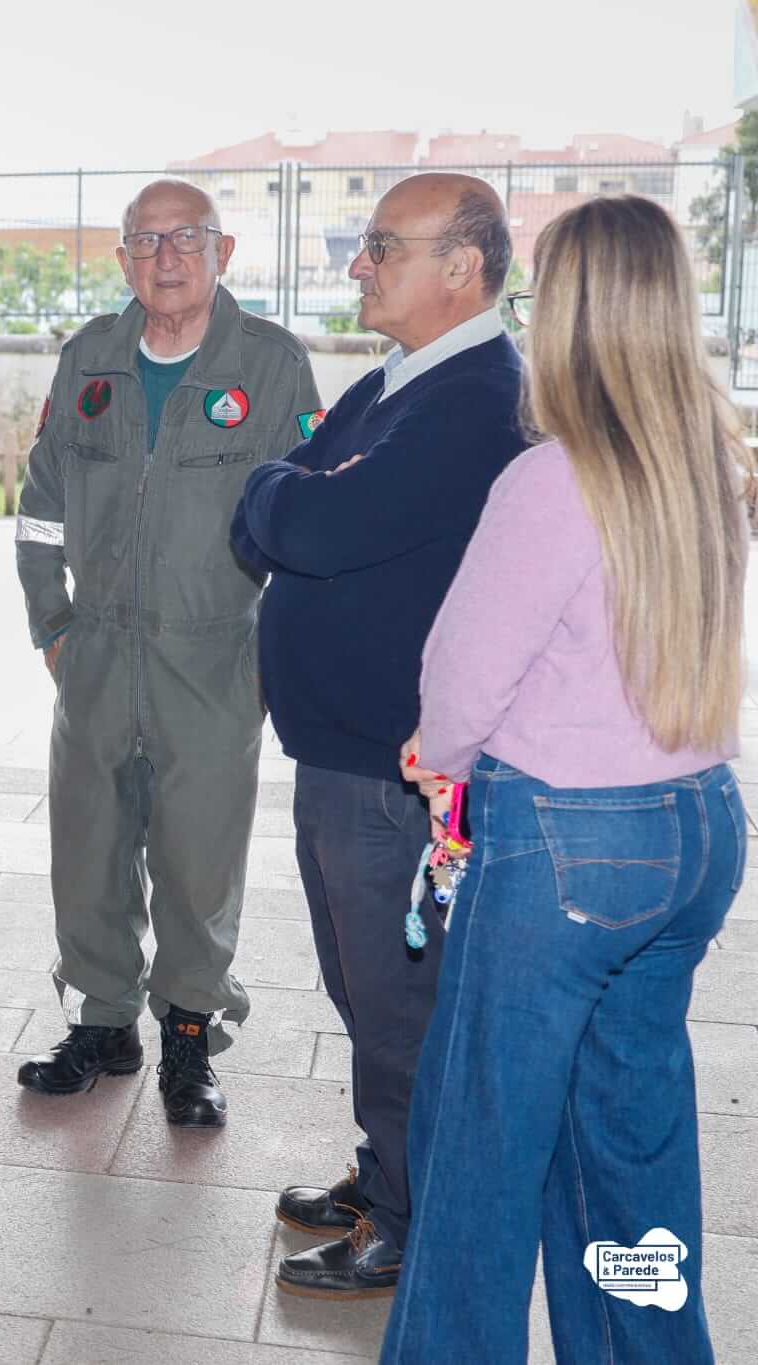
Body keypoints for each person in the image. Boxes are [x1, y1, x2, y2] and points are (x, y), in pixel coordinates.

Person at [384, 195, 747, 1363]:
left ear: (572, 313)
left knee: (476, 1153)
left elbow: (460, 679)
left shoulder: (550, 482)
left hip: (565, 852)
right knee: (629, 1148)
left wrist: (434, 760)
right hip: (696, 833)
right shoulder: (710, 464)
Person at [230, 172, 525, 1299]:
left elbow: (311, 517)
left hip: (398, 771)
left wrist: (283, 490)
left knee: (400, 1004)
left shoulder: (473, 399)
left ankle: (407, 1216)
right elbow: (291, 503)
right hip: (343, 755)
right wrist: (286, 491)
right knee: (363, 992)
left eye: (379, 246)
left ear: (460, 267)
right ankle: (382, 1169)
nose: (356, 265)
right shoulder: (397, 385)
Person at [13, 177, 319, 1127]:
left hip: (212, 659)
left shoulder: (268, 366)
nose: (167, 258)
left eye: (187, 238)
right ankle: (104, 1022)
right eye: (145, 242)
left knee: (197, 860)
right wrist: (53, 628)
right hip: (97, 654)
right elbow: (38, 508)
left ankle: (190, 1036)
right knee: (90, 849)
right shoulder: (90, 358)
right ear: (123, 260)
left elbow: (307, 523)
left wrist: (269, 660)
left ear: (223, 252)